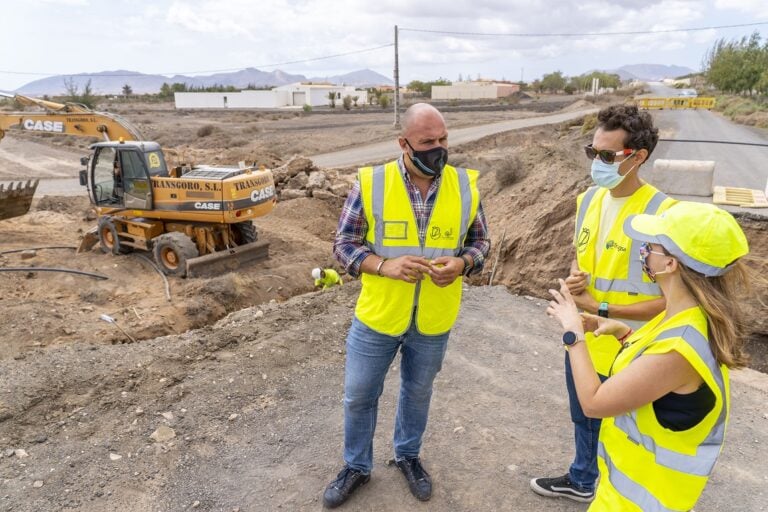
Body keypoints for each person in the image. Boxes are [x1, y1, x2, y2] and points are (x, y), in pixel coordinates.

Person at [324, 103, 490, 508]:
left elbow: (481, 242)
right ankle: (356, 466)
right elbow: (343, 245)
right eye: (427, 142)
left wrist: (463, 263)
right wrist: (384, 265)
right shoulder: (371, 183)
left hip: (433, 318)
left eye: (443, 139)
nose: (439, 149)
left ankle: (408, 456)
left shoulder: (464, 185)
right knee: (360, 394)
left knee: (417, 393)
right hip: (379, 316)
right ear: (404, 143)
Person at [545, 201, 750, 511]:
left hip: (638, 504)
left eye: (652, 245)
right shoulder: (685, 314)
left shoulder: (678, 348)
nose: (643, 250)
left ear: (670, 264)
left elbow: (594, 403)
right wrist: (623, 334)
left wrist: (573, 332)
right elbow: (657, 379)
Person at [531, 104, 677, 502]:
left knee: (629, 427)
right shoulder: (589, 201)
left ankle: (619, 494)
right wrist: (576, 277)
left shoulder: (662, 215)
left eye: (607, 155)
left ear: (639, 157)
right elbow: (580, 256)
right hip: (584, 337)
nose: (597, 162)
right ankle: (582, 479)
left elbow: (671, 302)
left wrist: (604, 310)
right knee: (584, 414)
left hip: (634, 345)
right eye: (592, 152)